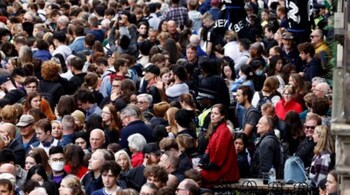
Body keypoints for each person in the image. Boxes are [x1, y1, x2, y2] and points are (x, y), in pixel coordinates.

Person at [198, 104, 240, 186]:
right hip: (217, 167)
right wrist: (202, 161)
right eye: (212, 113)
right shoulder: (216, 128)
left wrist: (205, 167)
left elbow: (219, 155)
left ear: (222, 116)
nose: (212, 116)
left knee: (196, 176)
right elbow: (209, 147)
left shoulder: (224, 131)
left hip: (224, 172)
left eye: (216, 114)